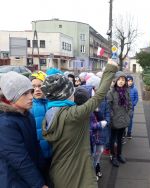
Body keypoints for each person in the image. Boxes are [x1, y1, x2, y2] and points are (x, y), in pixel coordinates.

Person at [41, 59, 118, 188]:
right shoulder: (75, 114)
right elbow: (99, 95)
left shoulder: (48, 113)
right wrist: (110, 68)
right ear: (67, 94)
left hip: (58, 172)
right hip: (79, 173)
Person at [0, 71, 47, 188]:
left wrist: (45, 171)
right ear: (11, 96)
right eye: (25, 93)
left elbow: (35, 146)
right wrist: (39, 184)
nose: (31, 96)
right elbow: (18, 159)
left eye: (30, 92)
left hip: (29, 177)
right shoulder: (5, 122)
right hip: (14, 180)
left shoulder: (26, 114)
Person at [29, 71, 51, 185]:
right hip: (37, 156)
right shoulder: (28, 106)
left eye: (40, 86)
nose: (37, 89)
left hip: (53, 153)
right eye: (33, 86)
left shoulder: (51, 104)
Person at [107, 71, 132, 167]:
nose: (121, 81)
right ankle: (112, 156)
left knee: (120, 138)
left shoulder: (126, 91)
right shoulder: (111, 92)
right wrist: (112, 117)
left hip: (124, 119)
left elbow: (130, 103)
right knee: (112, 139)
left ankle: (119, 154)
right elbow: (108, 107)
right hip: (114, 120)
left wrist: (129, 113)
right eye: (119, 79)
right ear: (116, 80)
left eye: (123, 80)